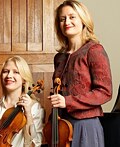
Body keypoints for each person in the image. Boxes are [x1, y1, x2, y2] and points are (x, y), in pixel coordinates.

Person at [48, 0, 112, 146]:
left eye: (72, 17)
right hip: (61, 126)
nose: (66, 22)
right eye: (62, 19)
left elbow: (105, 92)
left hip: (86, 125)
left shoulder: (94, 50)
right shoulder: (59, 57)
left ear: (83, 20)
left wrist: (68, 101)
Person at [0, 56, 45, 147]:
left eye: (16, 72)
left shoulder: (34, 108)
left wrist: (28, 114)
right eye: (6, 71)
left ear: (24, 79)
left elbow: (35, 144)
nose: (9, 76)